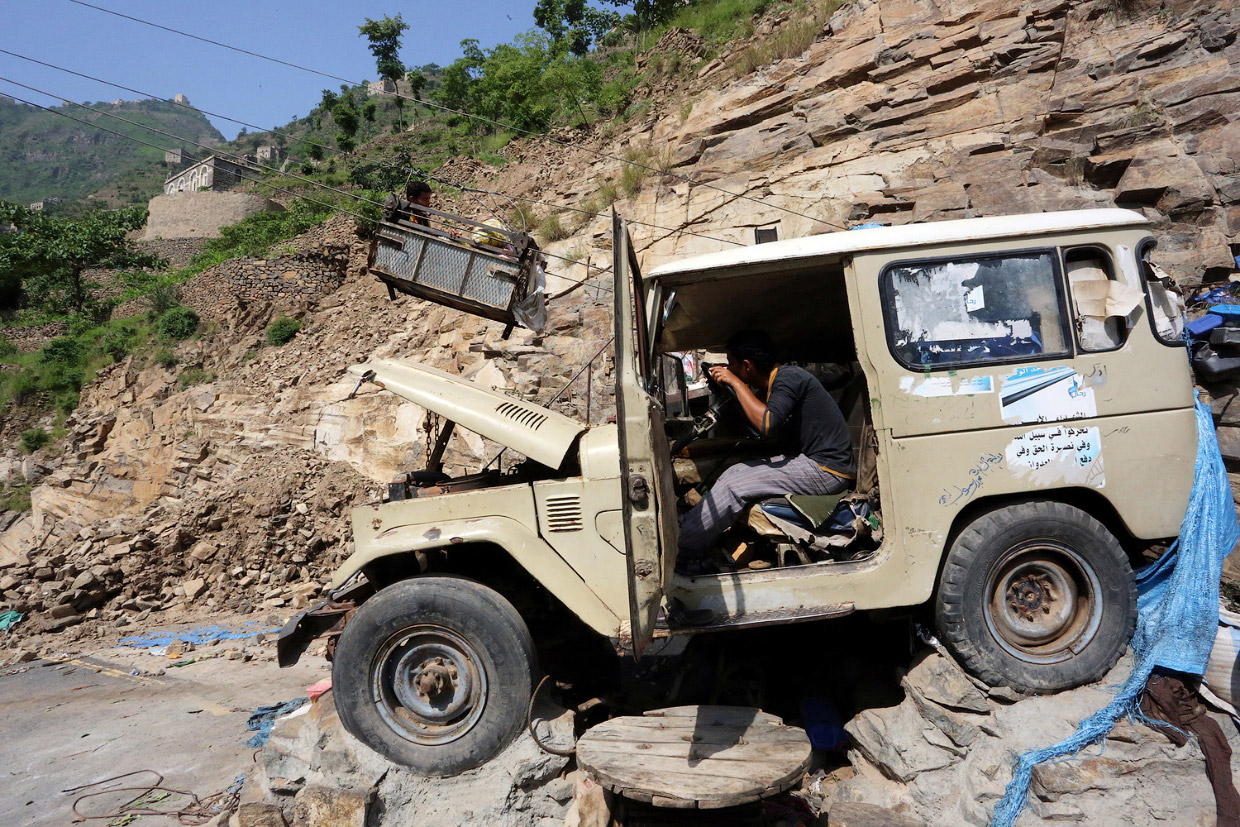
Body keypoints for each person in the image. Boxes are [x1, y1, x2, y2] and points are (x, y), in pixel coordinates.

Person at [677, 329, 856, 573]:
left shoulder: (788, 378)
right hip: (811, 462)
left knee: (735, 486)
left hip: (826, 470)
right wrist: (730, 389)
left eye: (732, 364)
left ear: (747, 366)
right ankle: (690, 526)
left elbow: (767, 423)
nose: (729, 369)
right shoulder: (775, 384)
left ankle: (680, 546)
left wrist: (735, 383)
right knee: (735, 471)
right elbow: (757, 427)